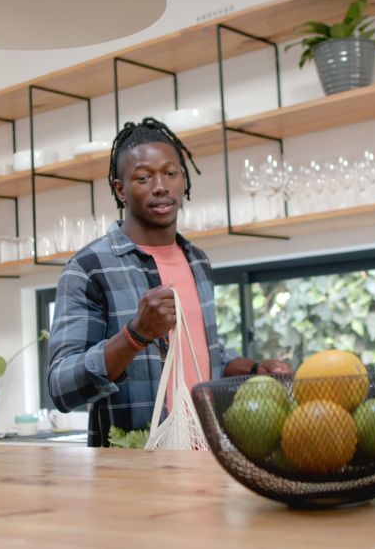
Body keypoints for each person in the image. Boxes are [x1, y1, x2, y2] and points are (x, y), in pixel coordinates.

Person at [47, 117, 291, 447]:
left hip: (206, 452)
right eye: (143, 177)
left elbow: (207, 355)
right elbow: (62, 387)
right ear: (121, 190)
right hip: (134, 470)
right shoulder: (88, 268)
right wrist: (135, 336)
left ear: (183, 180)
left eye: (170, 173)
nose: (160, 186)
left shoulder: (197, 261)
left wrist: (254, 368)